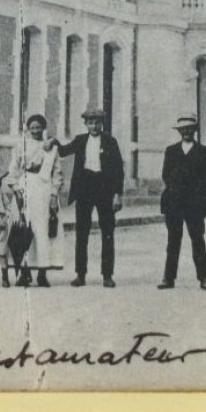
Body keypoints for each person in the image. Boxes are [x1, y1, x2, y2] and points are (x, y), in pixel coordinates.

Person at [52, 107, 125, 288]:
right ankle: (80, 274)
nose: (94, 126)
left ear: (102, 124)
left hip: (105, 189)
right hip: (84, 189)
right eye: (90, 123)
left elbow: (118, 170)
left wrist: (117, 194)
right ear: (85, 124)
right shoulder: (80, 140)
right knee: (81, 233)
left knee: (107, 232)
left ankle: (107, 275)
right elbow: (62, 151)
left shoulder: (110, 142)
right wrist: (53, 141)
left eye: (97, 123)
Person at [158, 114, 206, 290]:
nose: (186, 132)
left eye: (189, 129)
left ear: (195, 130)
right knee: (173, 240)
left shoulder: (204, 151)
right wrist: (175, 188)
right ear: (179, 131)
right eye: (183, 129)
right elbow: (165, 174)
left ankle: (204, 278)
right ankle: (168, 278)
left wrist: (198, 191)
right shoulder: (171, 151)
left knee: (197, 240)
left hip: (195, 203)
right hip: (174, 202)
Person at [10, 114, 64, 287]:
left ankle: (42, 272)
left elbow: (57, 174)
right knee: (23, 230)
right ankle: (24, 272)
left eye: (38, 127)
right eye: (32, 127)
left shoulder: (50, 147)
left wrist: (54, 196)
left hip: (43, 190)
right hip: (25, 187)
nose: (35, 130)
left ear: (43, 128)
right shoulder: (21, 145)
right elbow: (14, 168)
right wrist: (15, 188)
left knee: (42, 230)